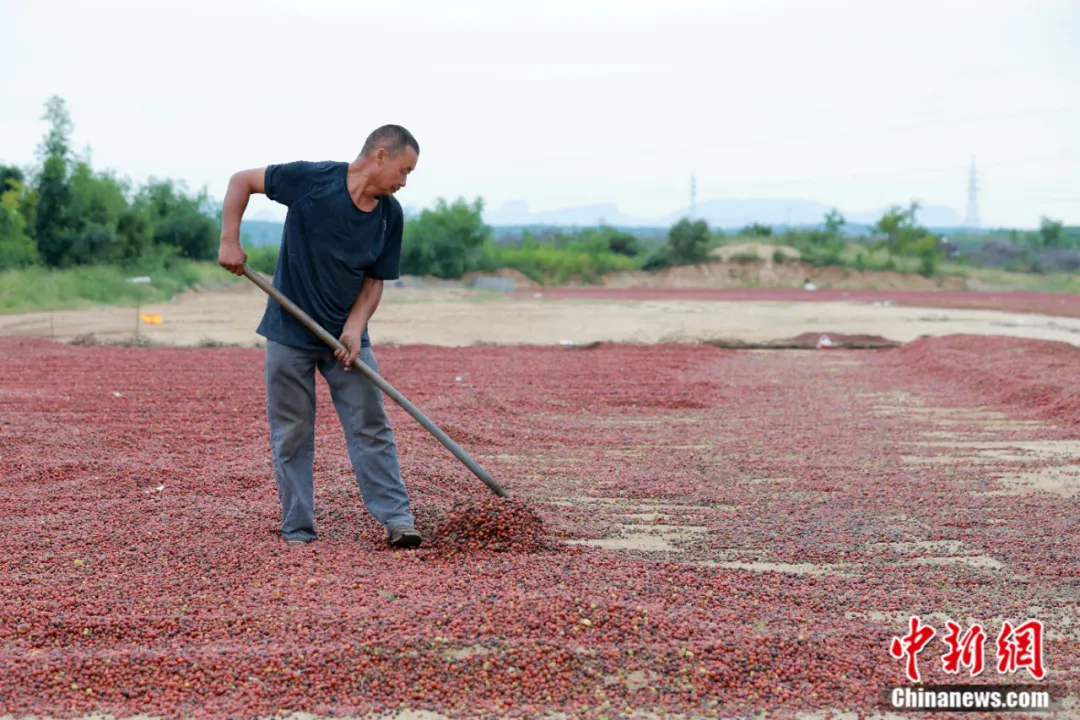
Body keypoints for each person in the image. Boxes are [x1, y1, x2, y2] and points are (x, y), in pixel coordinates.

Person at [217, 125, 423, 549]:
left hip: (346, 339)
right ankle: (298, 528)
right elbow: (243, 180)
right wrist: (229, 240)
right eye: (404, 170)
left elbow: (374, 281)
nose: (404, 182)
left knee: (371, 425)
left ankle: (398, 519)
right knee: (292, 431)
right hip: (289, 333)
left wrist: (353, 328)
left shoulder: (390, 215)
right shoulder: (311, 180)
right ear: (380, 156)